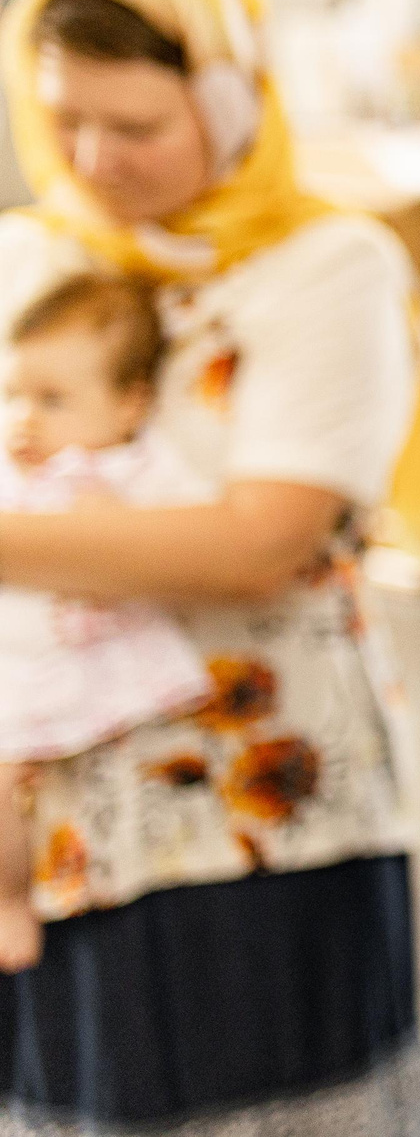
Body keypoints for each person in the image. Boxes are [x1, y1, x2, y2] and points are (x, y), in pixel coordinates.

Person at [0, 0, 420, 1134]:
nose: (95, 159)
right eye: (65, 121)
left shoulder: (324, 266)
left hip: (259, 816)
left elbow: (263, 540)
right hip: (57, 820)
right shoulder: (30, 256)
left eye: (135, 125)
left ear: (230, 98)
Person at [0, 274, 214, 972]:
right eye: (15, 395)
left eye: (52, 400)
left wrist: (109, 525)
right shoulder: (15, 470)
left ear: (130, 404)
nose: (25, 418)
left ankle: (14, 902)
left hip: (94, 662)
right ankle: (10, 896)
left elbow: (187, 530)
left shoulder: (135, 466)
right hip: (25, 660)